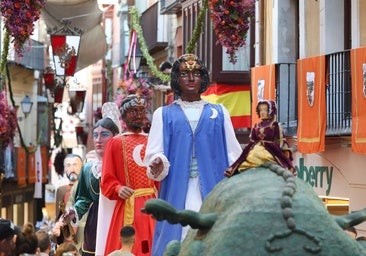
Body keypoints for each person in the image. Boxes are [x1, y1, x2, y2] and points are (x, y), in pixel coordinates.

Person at [143, 53, 242, 256]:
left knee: (213, 239)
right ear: (176, 79)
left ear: (203, 78)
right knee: (176, 239)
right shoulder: (163, 115)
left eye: (196, 73)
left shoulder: (220, 112)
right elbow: (155, 154)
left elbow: (234, 155)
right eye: (184, 73)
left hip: (213, 188)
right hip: (177, 190)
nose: (190, 78)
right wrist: (158, 163)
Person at [97, 94, 159, 256]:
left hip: (151, 204)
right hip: (127, 205)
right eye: (133, 111)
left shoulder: (154, 141)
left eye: (141, 110)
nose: (139, 115)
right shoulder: (115, 143)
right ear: (124, 115)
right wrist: (117, 188)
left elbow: (161, 177)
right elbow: (107, 179)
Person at [71, 116, 120, 256]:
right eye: (95, 135)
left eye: (104, 135)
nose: (98, 140)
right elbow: (84, 198)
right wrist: (73, 212)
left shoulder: (121, 166)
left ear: (115, 137)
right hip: (95, 223)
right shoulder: (87, 169)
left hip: (116, 217)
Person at [224, 99, 296, 177]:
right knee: (250, 157)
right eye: (260, 110)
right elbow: (252, 141)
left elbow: (281, 140)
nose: (262, 112)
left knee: (266, 158)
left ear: (271, 111)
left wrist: (285, 151)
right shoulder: (256, 126)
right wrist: (246, 152)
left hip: (271, 150)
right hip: (256, 148)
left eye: (265, 110)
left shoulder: (275, 125)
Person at [53, 153, 83, 246]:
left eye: (75, 165)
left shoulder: (88, 189)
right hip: (68, 239)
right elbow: (58, 216)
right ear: (65, 169)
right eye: (68, 165)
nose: (72, 169)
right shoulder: (62, 190)